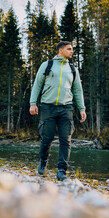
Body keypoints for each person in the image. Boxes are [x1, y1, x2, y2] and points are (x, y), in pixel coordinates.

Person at [29, 41, 86, 181]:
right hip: (47, 107)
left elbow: (77, 90)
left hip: (66, 108)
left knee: (66, 140)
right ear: (60, 50)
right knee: (46, 138)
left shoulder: (72, 69)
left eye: (72, 49)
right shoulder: (47, 65)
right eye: (69, 49)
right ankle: (43, 160)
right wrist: (32, 103)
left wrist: (82, 108)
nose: (72, 51)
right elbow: (37, 84)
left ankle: (62, 171)